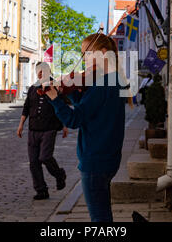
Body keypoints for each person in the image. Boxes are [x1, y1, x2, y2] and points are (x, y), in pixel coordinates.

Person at [43, 33, 127, 222]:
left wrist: (56, 98)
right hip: (109, 158)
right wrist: (70, 90)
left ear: (103, 54)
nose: (83, 60)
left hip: (95, 160)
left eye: (87, 54)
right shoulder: (114, 80)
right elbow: (90, 110)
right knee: (104, 215)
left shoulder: (102, 83)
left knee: (99, 218)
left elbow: (74, 119)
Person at [17, 62, 68, 200]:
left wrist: (64, 125)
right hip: (33, 129)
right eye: (38, 70)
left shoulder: (55, 86)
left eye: (43, 70)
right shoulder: (33, 88)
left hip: (49, 128)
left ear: (48, 71)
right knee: (34, 162)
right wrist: (21, 124)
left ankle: (59, 174)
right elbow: (27, 107)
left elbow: (62, 106)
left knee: (45, 157)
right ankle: (41, 190)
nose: (40, 72)